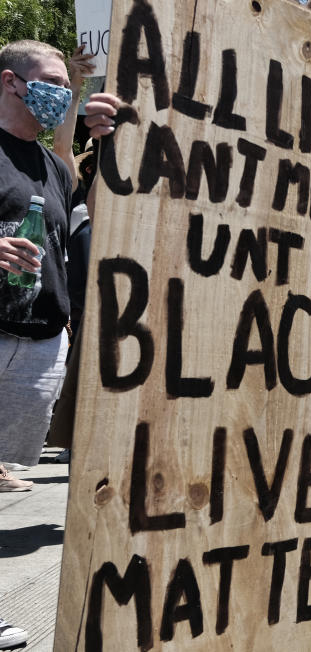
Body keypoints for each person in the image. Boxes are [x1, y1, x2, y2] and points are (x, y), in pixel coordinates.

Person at [0, 38, 74, 649]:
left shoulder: (51, 166)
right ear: (10, 82)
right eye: (51, 81)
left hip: (42, 339)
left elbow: (67, 237)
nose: (61, 93)